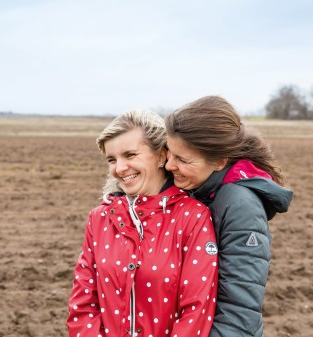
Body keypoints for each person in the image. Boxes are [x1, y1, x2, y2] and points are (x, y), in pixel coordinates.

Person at [67, 110, 219, 337]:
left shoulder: (192, 217)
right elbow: (83, 304)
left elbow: (196, 309)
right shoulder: (99, 219)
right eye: (112, 159)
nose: (119, 168)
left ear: (160, 156)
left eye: (130, 155)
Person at [164, 96, 293, 337]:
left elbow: (239, 309)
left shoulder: (239, 205)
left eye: (182, 159)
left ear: (219, 161)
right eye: (169, 153)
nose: (170, 165)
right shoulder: (199, 189)